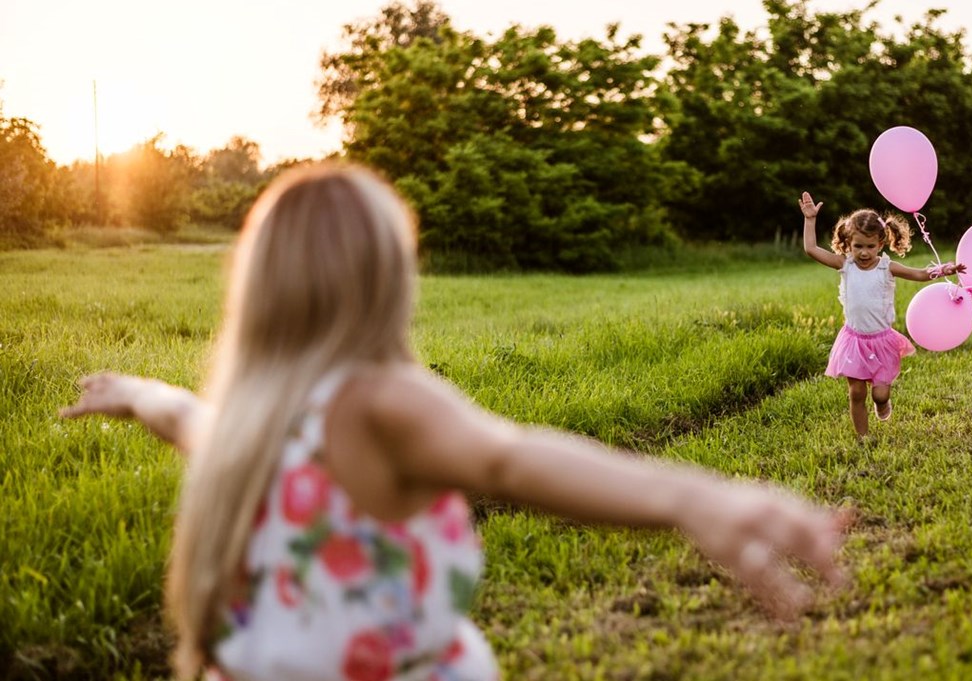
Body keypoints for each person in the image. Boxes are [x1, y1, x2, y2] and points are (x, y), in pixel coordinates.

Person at [60, 163, 852, 681]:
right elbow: (512, 457)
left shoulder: (243, 422)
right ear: (386, 280)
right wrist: (691, 497)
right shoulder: (378, 399)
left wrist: (130, 390)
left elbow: (179, 412)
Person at [799, 191, 964, 441]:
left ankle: (883, 404)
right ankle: (864, 438)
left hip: (882, 341)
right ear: (848, 244)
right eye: (858, 246)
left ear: (881, 244)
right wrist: (810, 219)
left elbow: (919, 274)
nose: (864, 253)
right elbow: (811, 249)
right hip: (854, 341)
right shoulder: (846, 265)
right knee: (856, 393)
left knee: (880, 394)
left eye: (870, 246)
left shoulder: (888, 267)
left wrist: (945, 269)